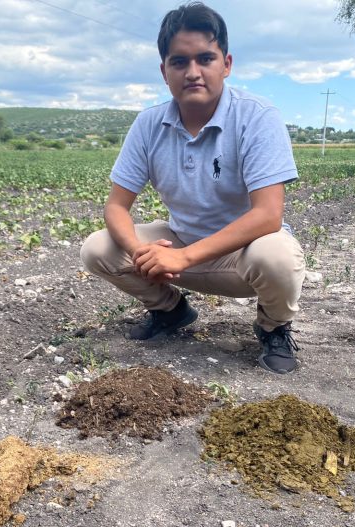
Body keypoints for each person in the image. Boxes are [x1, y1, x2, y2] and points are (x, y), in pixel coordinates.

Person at [80, 1, 305, 374]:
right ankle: (170, 311)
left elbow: (268, 214)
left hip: (242, 255)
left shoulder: (257, 117)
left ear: (227, 64)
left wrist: (183, 258)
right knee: (97, 247)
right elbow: (116, 207)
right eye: (180, 62)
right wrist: (142, 252)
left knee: (277, 257)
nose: (193, 72)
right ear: (164, 71)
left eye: (206, 58)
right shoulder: (149, 124)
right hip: (180, 242)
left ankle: (273, 327)